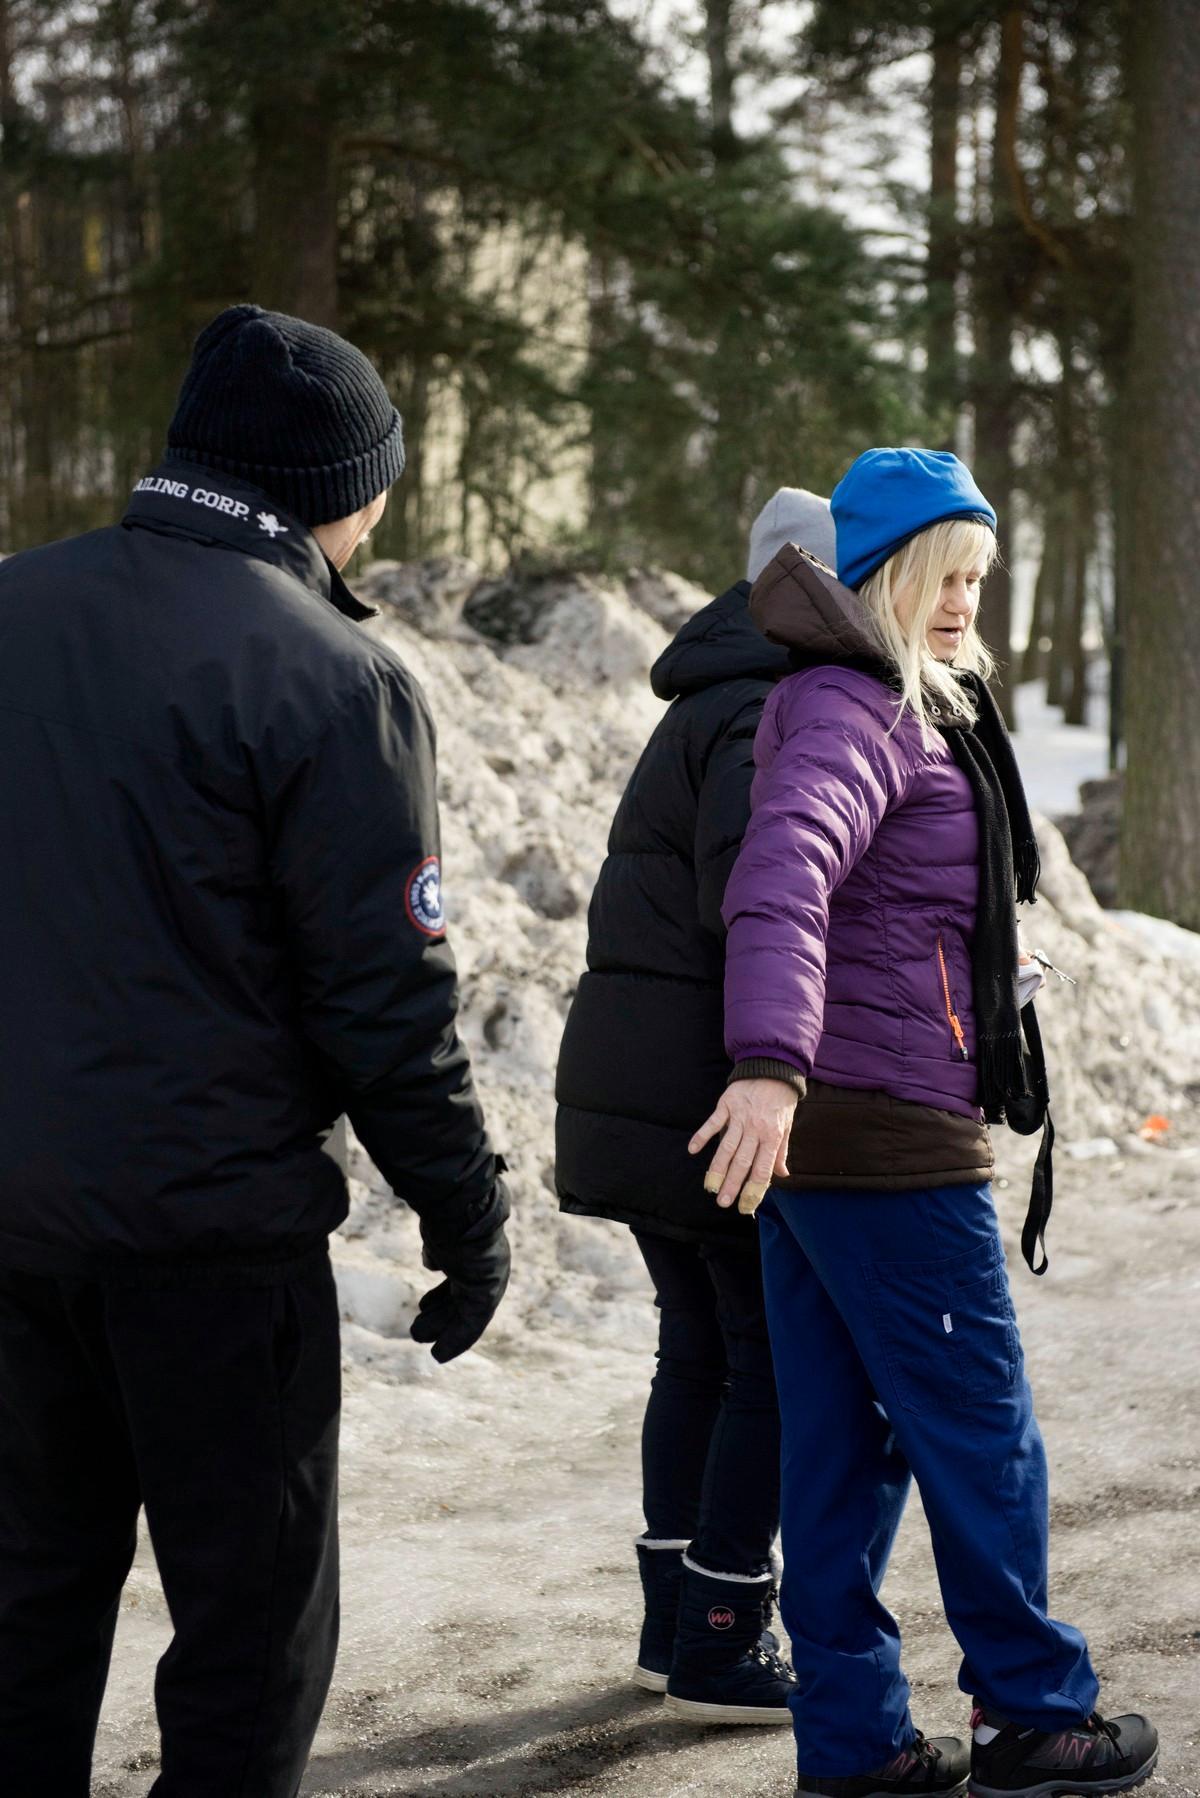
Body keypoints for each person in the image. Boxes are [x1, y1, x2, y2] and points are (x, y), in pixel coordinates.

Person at [0, 304, 511, 1797]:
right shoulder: (331, 677)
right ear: (340, 490)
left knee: (26, 1603)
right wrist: (468, 1217)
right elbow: (384, 1007)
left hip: (12, 1226)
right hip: (211, 1248)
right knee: (250, 1624)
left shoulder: (12, 606)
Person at [691, 449, 1159, 1798]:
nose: (963, 602)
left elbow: (883, 900)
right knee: (978, 1429)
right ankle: (1032, 1711)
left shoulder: (882, 700)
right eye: (941, 575)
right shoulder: (859, 706)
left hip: (838, 1137)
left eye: (975, 578)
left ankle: (853, 1742)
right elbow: (782, 875)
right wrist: (769, 1060)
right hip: (884, 1130)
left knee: (839, 1448)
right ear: (882, 572)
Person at [556, 488, 835, 1724]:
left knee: (703, 1348)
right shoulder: (760, 713)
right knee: (763, 1359)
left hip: (636, 1084)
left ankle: (678, 1625)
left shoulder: (712, 696)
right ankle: (724, 1632)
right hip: (702, 1094)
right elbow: (753, 899)